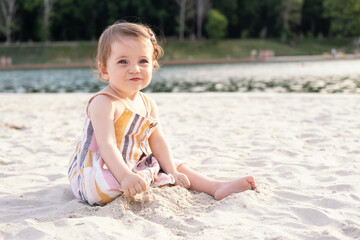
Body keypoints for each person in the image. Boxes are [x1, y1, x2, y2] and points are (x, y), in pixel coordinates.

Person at [68, 22, 256, 206]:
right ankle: (133, 178)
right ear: (104, 69)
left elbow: (157, 140)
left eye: (143, 61)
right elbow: (106, 145)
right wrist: (125, 176)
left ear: (153, 64)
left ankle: (215, 187)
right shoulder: (104, 102)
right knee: (112, 183)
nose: (134, 68)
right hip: (100, 169)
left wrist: (172, 171)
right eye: (123, 62)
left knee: (174, 164)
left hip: (132, 163)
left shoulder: (148, 104)